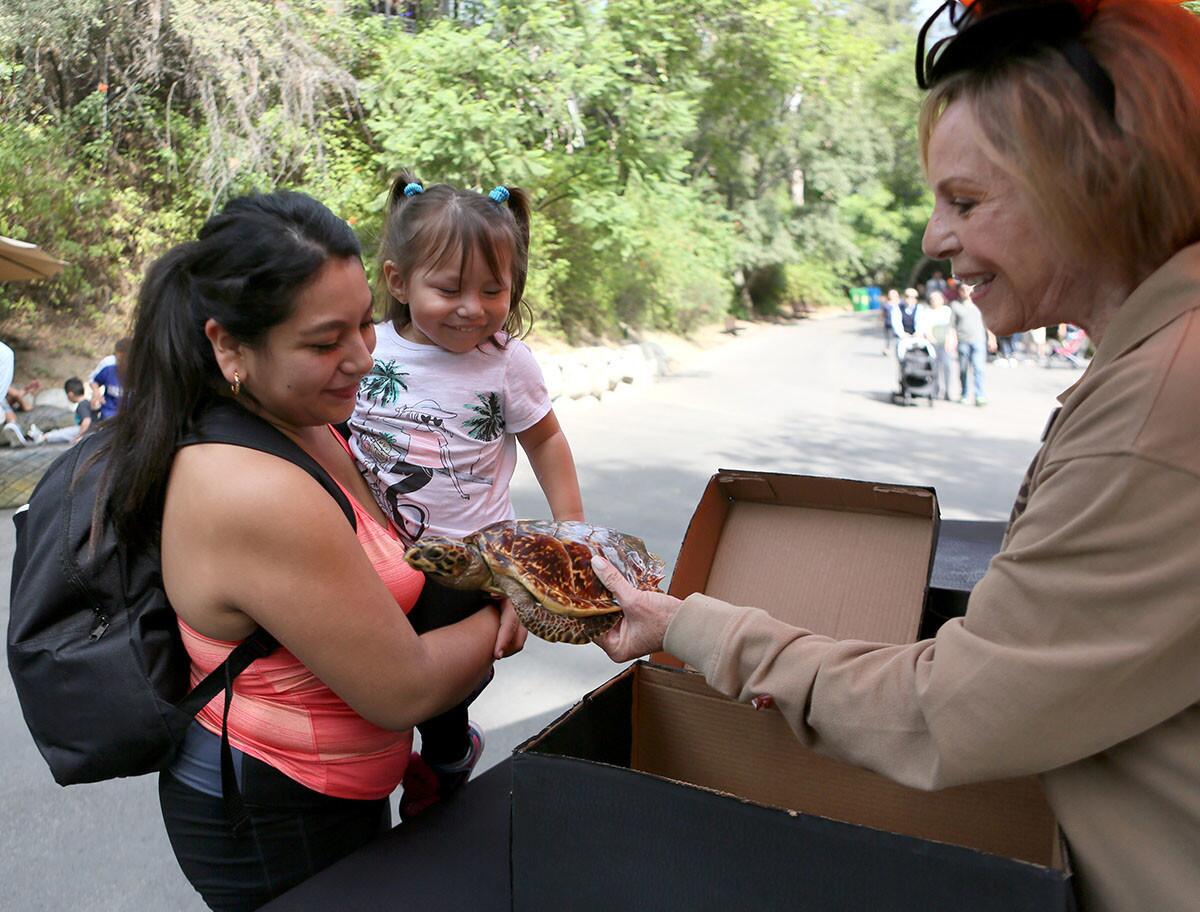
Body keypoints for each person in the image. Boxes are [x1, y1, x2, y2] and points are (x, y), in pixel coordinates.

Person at [592, 3, 1200, 910]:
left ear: (1095, 181)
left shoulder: (1157, 407)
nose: (933, 240)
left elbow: (950, 713)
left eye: (965, 201)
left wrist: (689, 625)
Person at [99, 191, 511, 912]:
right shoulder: (251, 489)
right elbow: (402, 691)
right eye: (325, 343)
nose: (359, 359)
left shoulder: (306, 416)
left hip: (332, 792)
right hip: (274, 814)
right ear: (229, 345)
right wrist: (512, 615)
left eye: (364, 325)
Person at [348, 172, 581, 817]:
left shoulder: (506, 362)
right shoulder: (368, 348)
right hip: (375, 555)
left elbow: (548, 444)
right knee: (373, 679)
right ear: (398, 282)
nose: (471, 307)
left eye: (492, 290)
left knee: (444, 702)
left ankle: (449, 764)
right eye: (448, 289)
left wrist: (572, 534)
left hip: (471, 564)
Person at [949, 285, 988, 405]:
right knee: (963, 369)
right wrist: (951, 340)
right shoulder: (955, 305)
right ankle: (964, 393)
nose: (965, 292)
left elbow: (987, 322)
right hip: (963, 341)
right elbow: (952, 325)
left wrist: (992, 338)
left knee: (978, 368)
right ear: (959, 291)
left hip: (979, 340)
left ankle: (979, 395)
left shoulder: (980, 304)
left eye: (968, 289)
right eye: (963, 289)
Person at [28, 377, 93, 445]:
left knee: (63, 433)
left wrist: (79, 435)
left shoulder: (82, 406)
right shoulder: (86, 402)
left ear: (70, 394)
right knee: (64, 432)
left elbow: (86, 421)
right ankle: (44, 436)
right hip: (86, 430)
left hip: (82, 430)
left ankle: (43, 437)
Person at [923, 289, 954, 399]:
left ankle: (947, 391)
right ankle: (935, 389)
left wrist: (950, 340)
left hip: (944, 342)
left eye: (937, 299)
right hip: (932, 343)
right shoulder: (927, 312)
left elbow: (950, 328)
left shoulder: (946, 311)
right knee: (934, 367)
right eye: (933, 299)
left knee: (947, 367)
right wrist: (931, 339)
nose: (935, 301)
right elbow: (926, 328)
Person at [89, 336, 129, 421]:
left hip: (129, 417)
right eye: (118, 358)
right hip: (109, 414)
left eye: (123, 359)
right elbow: (94, 381)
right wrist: (96, 393)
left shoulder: (141, 372)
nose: (119, 361)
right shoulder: (109, 366)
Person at [879, 287, 901, 354]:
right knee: (888, 338)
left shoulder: (900, 303)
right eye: (891, 295)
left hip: (898, 324)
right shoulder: (886, 304)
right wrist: (881, 321)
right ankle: (887, 349)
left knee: (898, 337)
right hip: (888, 324)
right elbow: (883, 314)